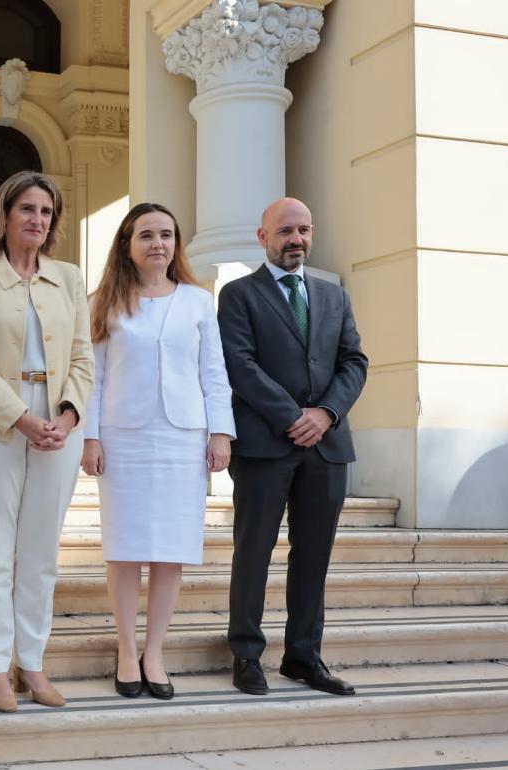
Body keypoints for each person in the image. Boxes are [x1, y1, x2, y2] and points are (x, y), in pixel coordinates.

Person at [80, 202, 234, 700]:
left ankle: (154, 652)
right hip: (123, 438)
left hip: (181, 437)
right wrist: (90, 436)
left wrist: (220, 433)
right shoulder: (103, 300)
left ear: (176, 244)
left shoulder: (196, 301)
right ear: (128, 244)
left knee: (171, 552)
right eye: (146, 235)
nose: (158, 244)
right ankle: (126, 650)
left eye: (166, 235)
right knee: (125, 551)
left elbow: (214, 374)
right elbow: (93, 378)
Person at [0, 171, 92, 712]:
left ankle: (30, 661)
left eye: (46, 212)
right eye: (26, 209)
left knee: (39, 554)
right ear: (4, 216)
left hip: (59, 424)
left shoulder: (70, 278)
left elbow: (83, 355)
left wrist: (68, 413)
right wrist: (20, 418)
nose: (37, 220)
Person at [218, 197, 367, 697]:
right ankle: (246, 654)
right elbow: (240, 364)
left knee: (314, 556)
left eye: (303, 230)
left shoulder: (334, 297)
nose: (295, 239)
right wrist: (291, 417)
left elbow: (354, 362)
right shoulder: (238, 295)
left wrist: (325, 414)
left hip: (326, 447)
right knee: (254, 551)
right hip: (264, 445)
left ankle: (303, 656)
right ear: (263, 237)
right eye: (284, 231)